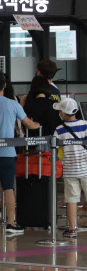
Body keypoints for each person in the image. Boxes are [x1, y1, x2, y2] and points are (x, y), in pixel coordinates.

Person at [0, 70, 40, 234]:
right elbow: (28, 124)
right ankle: (11, 223)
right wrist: (38, 125)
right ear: (5, 85)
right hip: (7, 154)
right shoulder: (13, 104)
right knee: (8, 189)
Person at [53, 98, 87, 239]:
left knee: (72, 200)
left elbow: (54, 149)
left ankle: (72, 229)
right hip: (86, 168)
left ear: (64, 113)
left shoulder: (59, 130)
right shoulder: (85, 125)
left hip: (70, 169)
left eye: (60, 111)